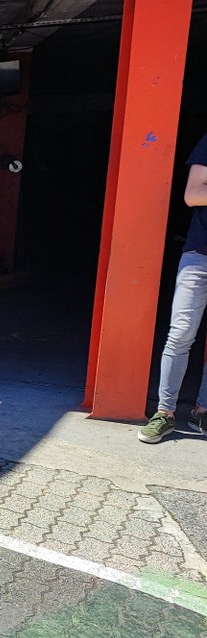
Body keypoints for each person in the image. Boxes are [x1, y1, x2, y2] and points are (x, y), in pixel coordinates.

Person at [139, 130, 207, 443]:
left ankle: (201, 412)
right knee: (180, 333)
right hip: (200, 256)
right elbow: (193, 195)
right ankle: (164, 413)